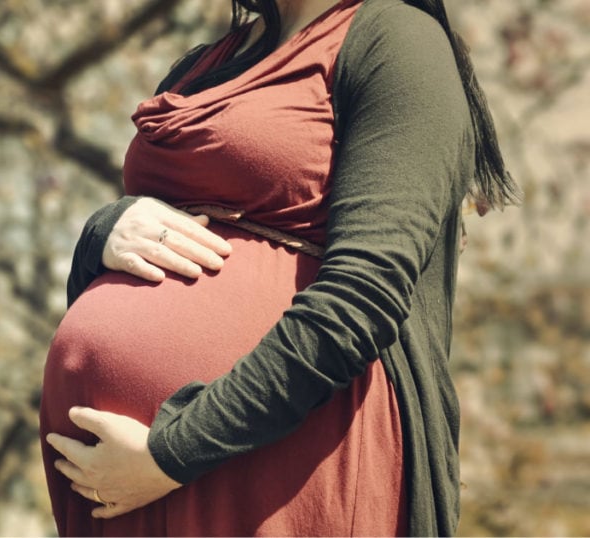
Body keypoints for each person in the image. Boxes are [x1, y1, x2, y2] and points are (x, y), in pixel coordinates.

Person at [39, 0, 521, 536]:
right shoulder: (208, 63)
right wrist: (103, 233)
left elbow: (364, 294)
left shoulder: (398, 40)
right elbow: (158, 232)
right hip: (128, 474)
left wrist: (172, 454)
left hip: (270, 458)